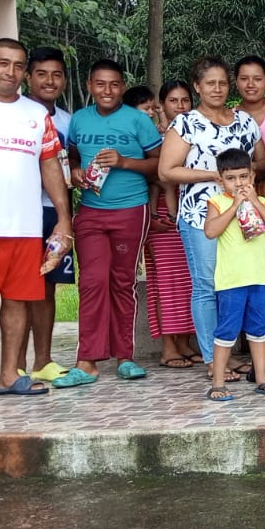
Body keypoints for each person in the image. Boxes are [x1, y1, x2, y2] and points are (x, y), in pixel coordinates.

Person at [0, 38, 73, 399]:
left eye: (18, 65)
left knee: (18, 301)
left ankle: (10, 374)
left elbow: (50, 165)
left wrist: (63, 217)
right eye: (3, 63)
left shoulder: (37, 115)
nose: (11, 71)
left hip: (25, 226)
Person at [57, 59, 162, 387]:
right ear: (89, 85)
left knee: (122, 281)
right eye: (100, 84)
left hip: (131, 209)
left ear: (122, 86)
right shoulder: (79, 119)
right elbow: (73, 155)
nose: (107, 90)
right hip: (90, 210)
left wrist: (124, 162)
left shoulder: (138, 120)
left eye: (114, 84)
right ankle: (86, 361)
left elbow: (159, 164)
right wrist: (76, 172)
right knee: (91, 281)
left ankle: (125, 357)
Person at [157, 56, 265, 370]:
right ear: (197, 86)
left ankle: (232, 354)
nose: (217, 89)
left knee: (237, 283)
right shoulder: (185, 123)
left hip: (241, 216)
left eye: (222, 83)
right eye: (210, 83)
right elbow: (166, 171)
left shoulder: (245, 121)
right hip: (199, 215)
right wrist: (213, 175)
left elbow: (263, 162)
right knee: (207, 285)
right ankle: (213, 360)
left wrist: (242, 173)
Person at [201, 148, 265, 401]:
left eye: (243, 177)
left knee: (259, 328)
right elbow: (210, 231)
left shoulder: (263, 202)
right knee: (227, 329)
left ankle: (262, 378)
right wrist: (235, 205)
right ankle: (217, 382)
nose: (238, 183)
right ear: (220, 180)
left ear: (252, 176)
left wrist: (255, 201)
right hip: (232, 280)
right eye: (231, 178)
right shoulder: (217, 203)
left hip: (261, 277)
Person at [23, 45, 74, 383]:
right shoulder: (17, 114)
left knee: (47, 287)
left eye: (56, 75)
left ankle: (43, 360)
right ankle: (13, 364)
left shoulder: (69, 121)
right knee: (19, 289)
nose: (49, 81)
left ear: (65, 80)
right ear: (28, 77)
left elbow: (73, 165)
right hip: (18, 213)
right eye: (41, 74)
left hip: (53, 213)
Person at [145, 81, 199, 368]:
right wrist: (152, 215)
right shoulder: (152, 137)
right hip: (163, 218)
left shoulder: (198, 131)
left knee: (190, 282)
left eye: (185, 100)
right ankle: (168, 348)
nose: (180, 106)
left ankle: (185, 343)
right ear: (162, 105)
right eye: (173, 100)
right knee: (165, 283)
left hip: (192, 212)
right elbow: (149, 176)